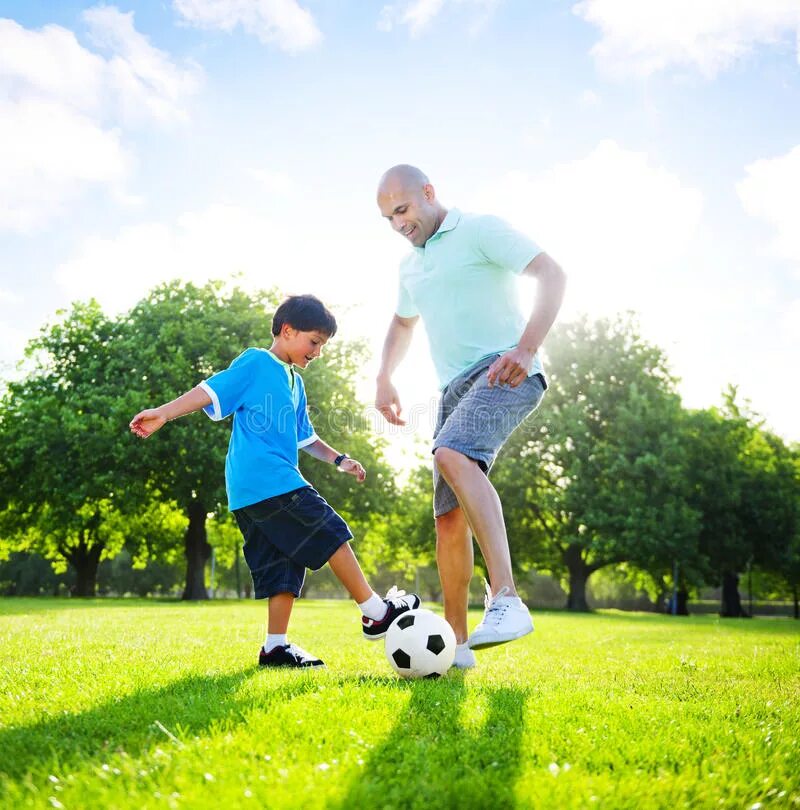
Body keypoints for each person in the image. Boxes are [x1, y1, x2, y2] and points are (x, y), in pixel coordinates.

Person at [130, 294, 419, 669]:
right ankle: (375, 611)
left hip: (251, 492)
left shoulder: (295, 382)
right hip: (269, 480)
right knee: (330, 530)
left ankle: (275, 648)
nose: (318, 352)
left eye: (323, 345)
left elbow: (306, 439)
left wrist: (340, 460)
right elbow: (211, 391)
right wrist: (164, 415)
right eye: (314, 342)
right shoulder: (256, 362)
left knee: (282, 565)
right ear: (287, 331)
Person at [375, 165, 566, 670]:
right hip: (452, 389)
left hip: (505, 368)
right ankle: (456, 646)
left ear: (428, 195)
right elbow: (401, 322)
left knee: (451, 453)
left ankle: (506, 598)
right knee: (447, 518)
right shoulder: (410, 267)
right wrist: (383, 377)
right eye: (388, 217)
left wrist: (527, 350)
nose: (398, 223)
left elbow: (552, 273)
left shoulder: (480, 229)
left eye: (403, 210)